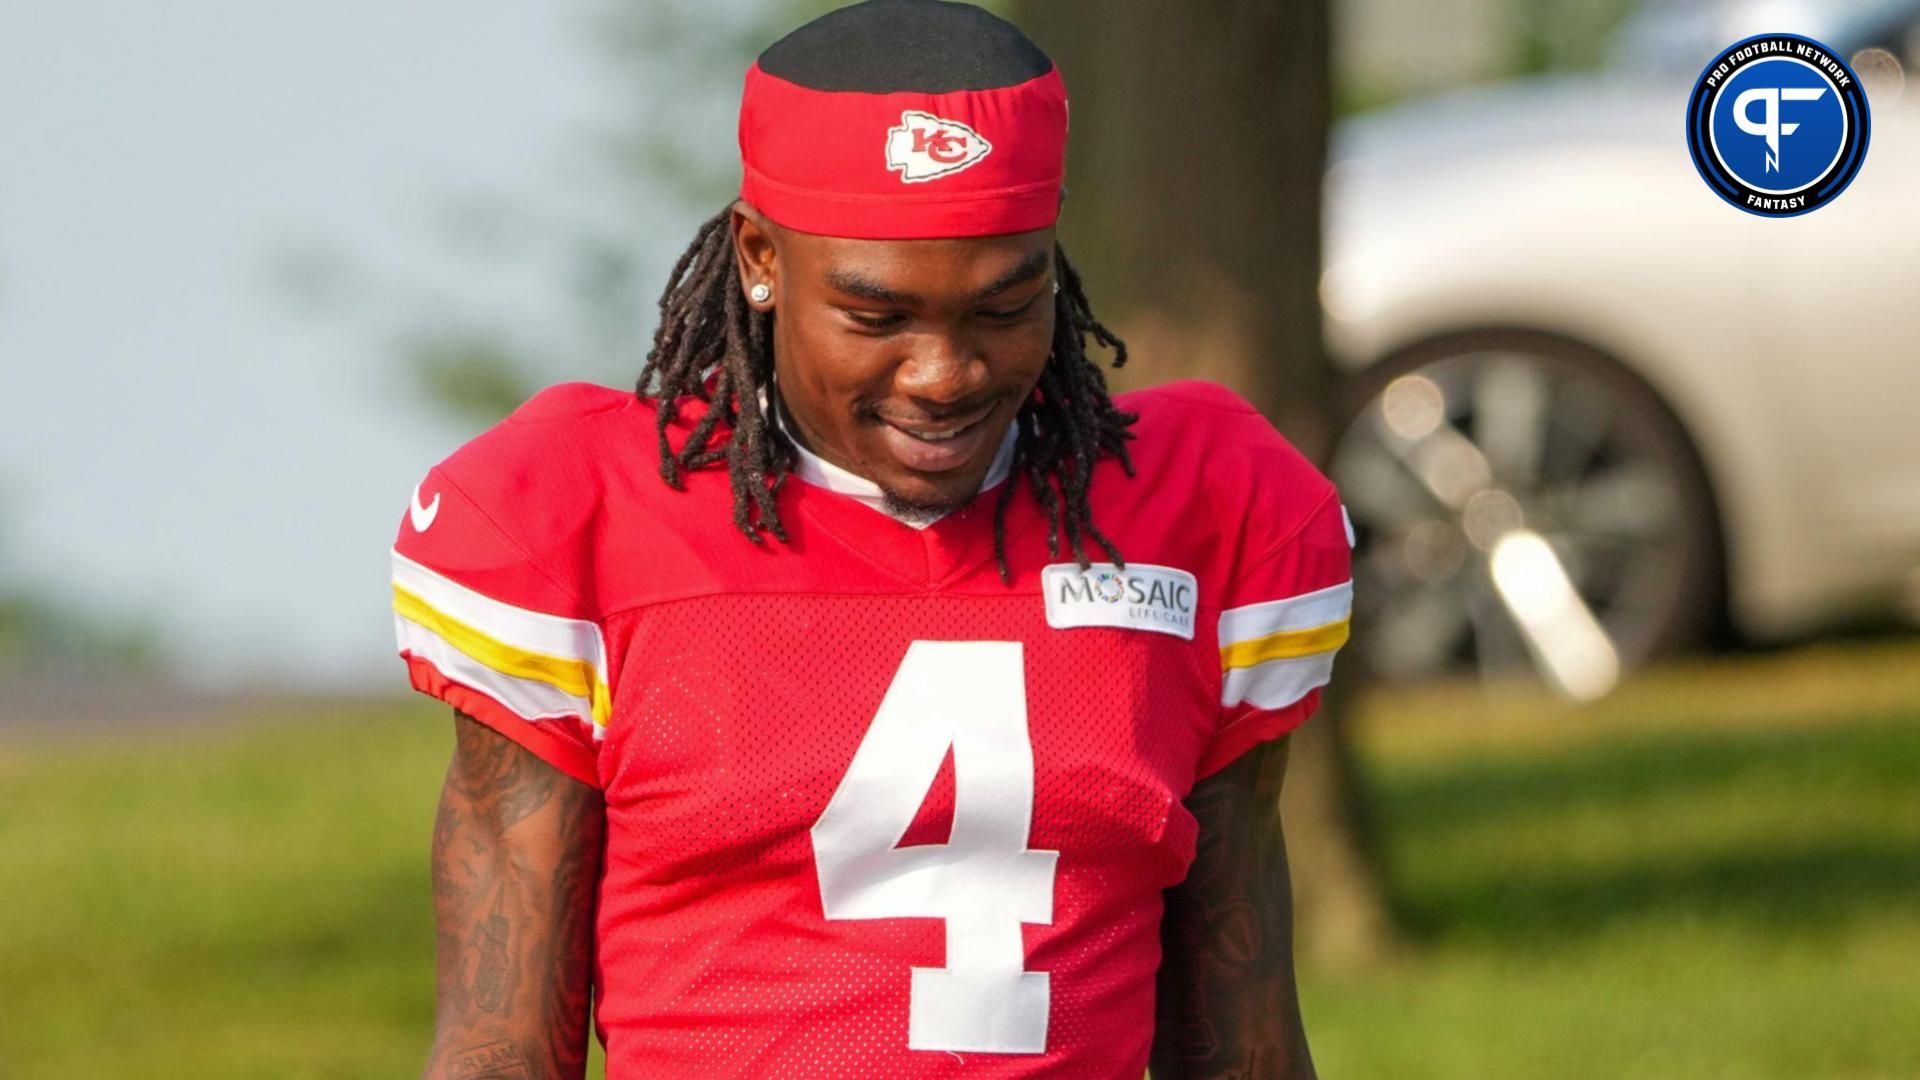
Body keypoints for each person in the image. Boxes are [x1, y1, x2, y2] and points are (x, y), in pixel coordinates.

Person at [391, 1, 1351, 1076]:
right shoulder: (575, 519)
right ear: (759, 256)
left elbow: (1240, 1038)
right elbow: (499, 1048)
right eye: (878, 317)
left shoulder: (1203, 505)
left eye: (1003, 307)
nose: (945, 376)